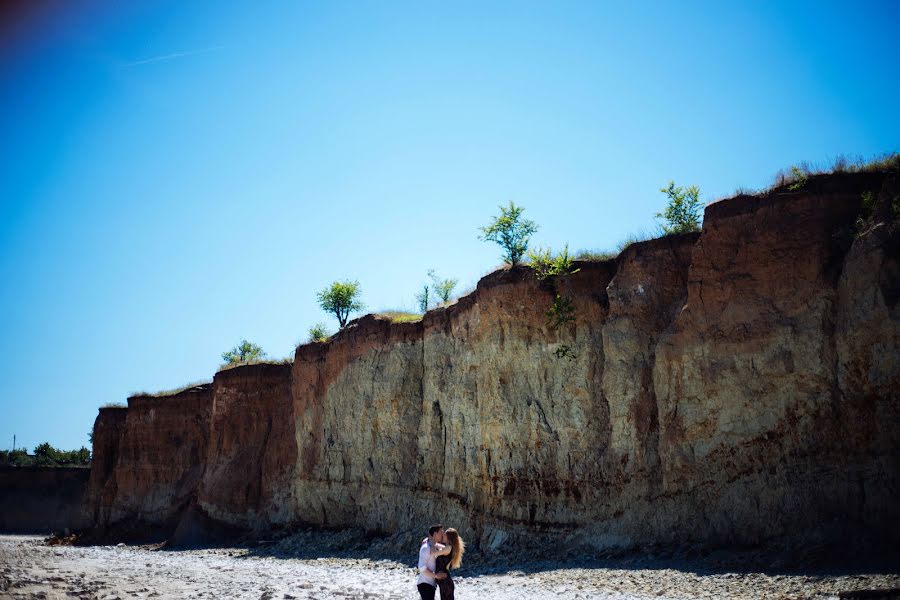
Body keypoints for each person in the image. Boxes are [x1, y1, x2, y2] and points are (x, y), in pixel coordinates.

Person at [416, 524, 451, 600]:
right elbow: (421, 568)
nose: (443, 535)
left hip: (431, 584)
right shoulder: (426, 548)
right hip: (425, 584)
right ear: (435, 534)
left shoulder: (433, 545)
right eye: (441, 533)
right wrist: (436, 575)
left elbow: (445, 548)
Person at [434, 527, 465, 600]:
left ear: (448, 537)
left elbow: (433, 553)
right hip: (444, 580)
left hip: (445, 581)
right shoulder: (448, 547)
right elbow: (440, 547)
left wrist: (430, 543)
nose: (442, 536)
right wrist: (434, 543)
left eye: (444, 535)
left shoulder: (448, 548)